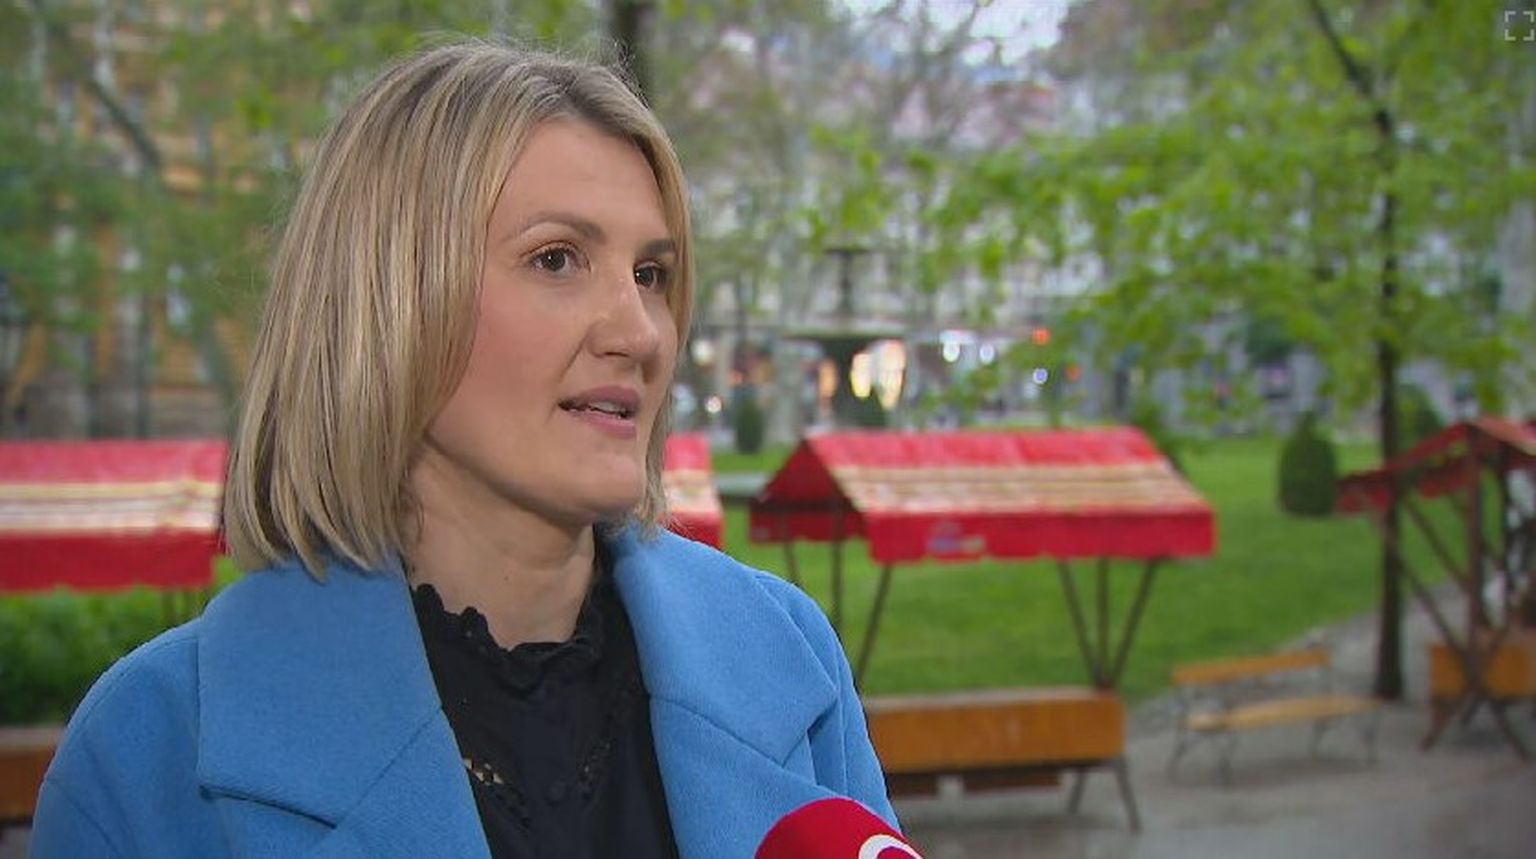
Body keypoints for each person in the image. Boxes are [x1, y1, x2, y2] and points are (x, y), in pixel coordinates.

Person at [30, 41, 896, 858]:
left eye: (650, 274)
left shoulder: (787, 655)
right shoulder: (149, 750)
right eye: (556, 259)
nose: (639, 332)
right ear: (388, 301)